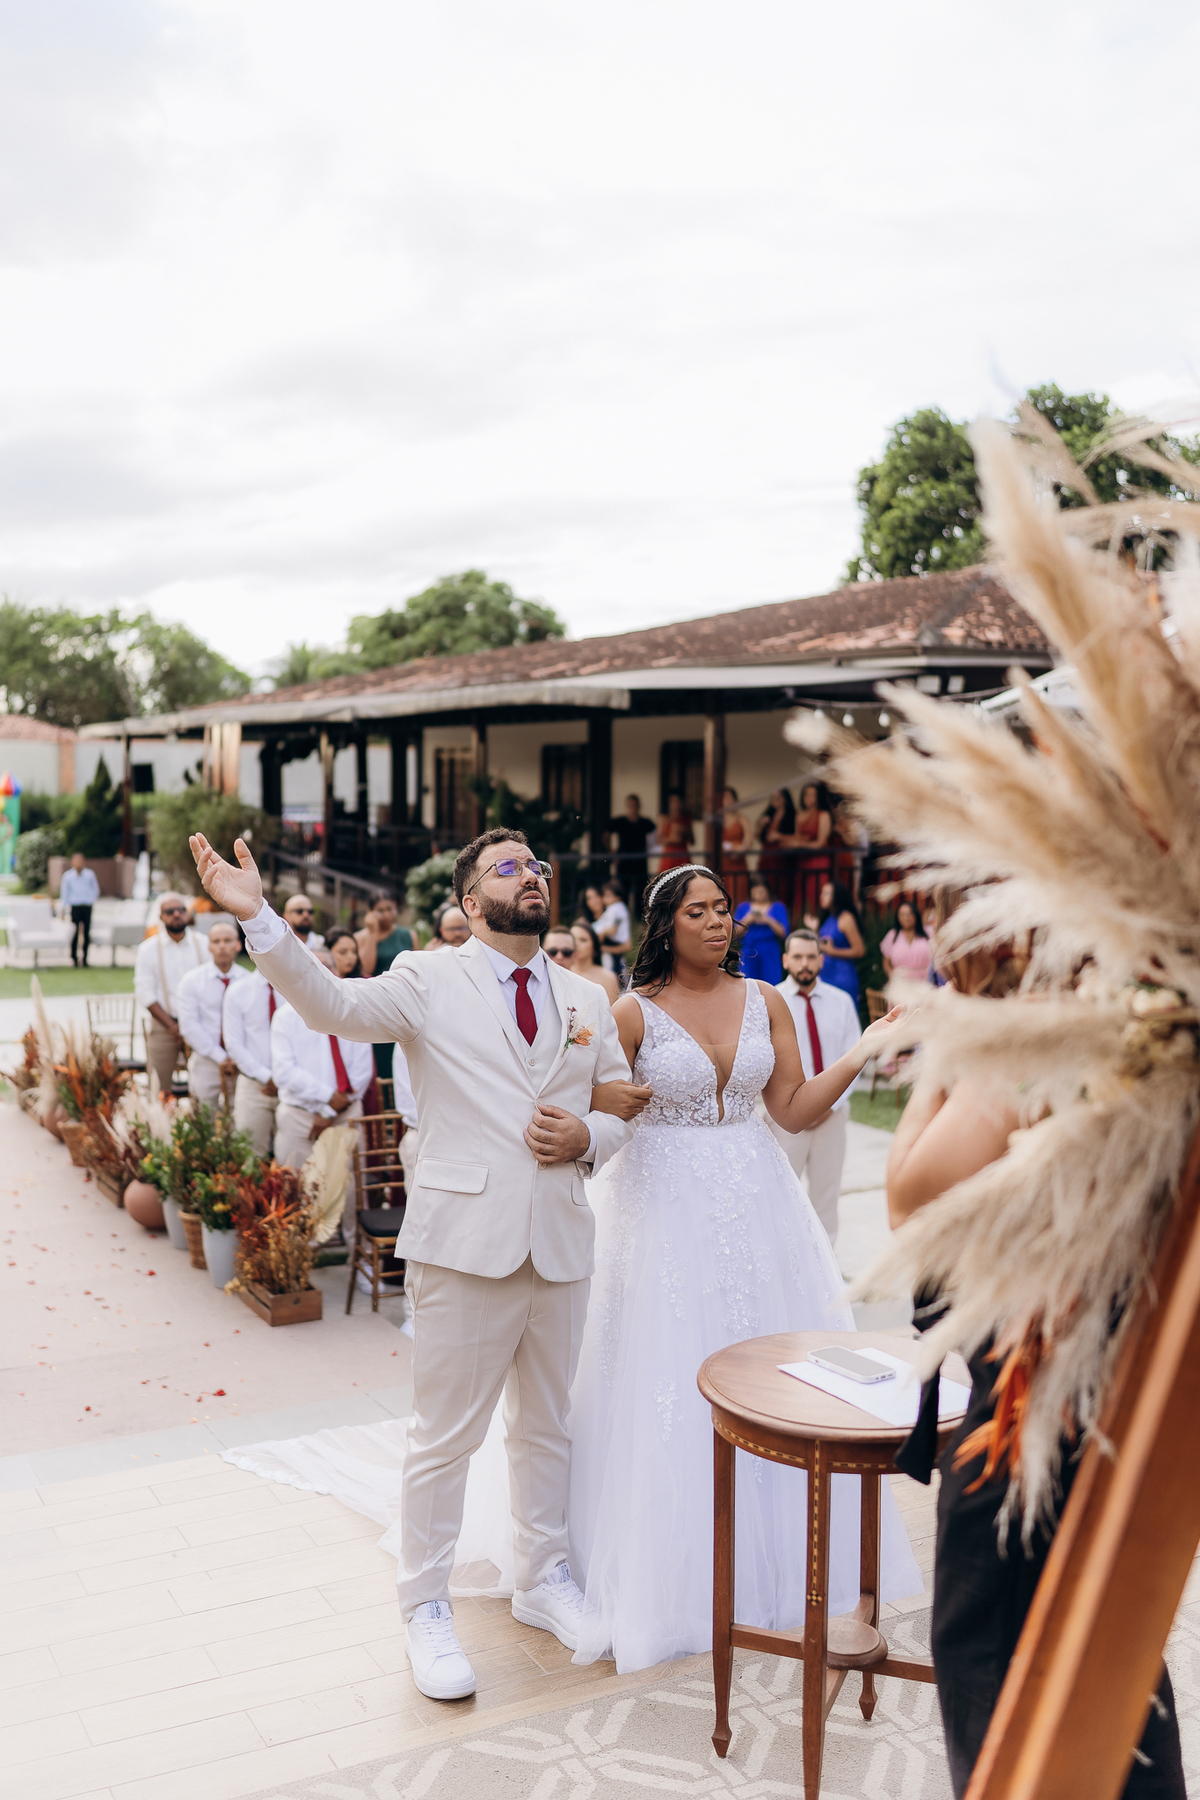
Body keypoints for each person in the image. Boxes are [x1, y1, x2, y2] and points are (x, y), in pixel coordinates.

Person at [189, 822, 649, 1704]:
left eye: (537, 865)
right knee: (443, 1439)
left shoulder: (589, 997)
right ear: (472, 902)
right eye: (508, 867)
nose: (532, 876)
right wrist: (262, 925)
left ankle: (542, 1575)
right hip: (463, 1245)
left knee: (548, 1425)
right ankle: (425, 1605)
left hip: (559, 1241)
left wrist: (590, 1133)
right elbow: (330, 1006)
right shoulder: (426, 979)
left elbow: (619, 1106)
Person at [567, 864, 919, 1671]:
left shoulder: (768, 999)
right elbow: (599, 1105)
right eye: (700, 912)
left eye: (724, 909)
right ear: (667, 926)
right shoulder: (630, 1012)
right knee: (669, 1375)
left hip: (760, 1206)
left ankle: (794, 1562)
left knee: (779, 1371)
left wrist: (865, 1046)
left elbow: (792, 1109)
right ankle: (669, 1575)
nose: (719, 922)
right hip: (659, 1211)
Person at [886, 931, 1185, 1799]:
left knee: (1003, 1696)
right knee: (1118, 1676)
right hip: (1117, 1417)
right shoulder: (1150, 1028)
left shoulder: (1048, 1035)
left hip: (1027, 1425)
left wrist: (943, 1062)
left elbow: (913, 1199)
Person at [766, 928, 863, 1244]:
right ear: (785, 960)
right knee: (781, 1197)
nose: (804, 964)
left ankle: (829, 1281)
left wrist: (828, 1105)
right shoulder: (770, 1002)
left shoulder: (842, 1002)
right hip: (784, 1120)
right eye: (797, 957)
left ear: (821, 960)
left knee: (826, 1199)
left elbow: (856, 1056)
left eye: (810, 957)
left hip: (831, 1118)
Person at [134, 894, 210, 1097]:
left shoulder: (203, 943)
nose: (176, 914)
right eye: (170, 911)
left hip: (202, 1023)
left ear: (187, 914)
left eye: (181, 910)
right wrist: (173, 1027)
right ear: (161, 916)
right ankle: (159, 1126)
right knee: (158, 1085)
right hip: (164, 1026)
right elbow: (145, 993)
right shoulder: (148, 949)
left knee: (204, 1085)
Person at [175, 920, 248, 1107]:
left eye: (227, 940)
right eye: (216, 941)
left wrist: (239, 1057)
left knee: (239, 1119)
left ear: (238, 945)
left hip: (243, 1062)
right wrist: (220, 1057)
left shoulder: (248, 981)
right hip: (206, 1059)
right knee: (203, 1117)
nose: (222, 946)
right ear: (209, 946)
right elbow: (189, 1025)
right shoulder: (192, 981)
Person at [223, 968, 279, 1157]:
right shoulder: (238, 991)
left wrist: (284, 1079)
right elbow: (234, 1044)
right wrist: (267, 1077)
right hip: (254, 1085)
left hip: (294, 1086)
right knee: (251, 1154)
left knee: (293, 1157)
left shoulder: (297, 988)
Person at [817, 878, 865, 1003]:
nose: (822, 896)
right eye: (822, 893)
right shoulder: (829, 916)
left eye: (826, 893)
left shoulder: (846, 918)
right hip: (825, 974)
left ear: (836, 896)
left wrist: (833, 952)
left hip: (841, 976)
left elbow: (860, 950)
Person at [734, 877, 789, 984]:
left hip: (769, 949)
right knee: (748, 983)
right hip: (749, 949)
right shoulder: (743, 907)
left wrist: (767, 920)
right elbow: (734, 933)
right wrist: (748, 920)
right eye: (755, 892)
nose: (758, 895)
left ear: (768, 891)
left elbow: (784, 932)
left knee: (771, 982)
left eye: (761, 892)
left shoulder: (778, 907)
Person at [605, 795, 654, 913]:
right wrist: (612, 853)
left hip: (640, 862)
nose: (633, 808)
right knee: (623, 891)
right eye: (631, 805)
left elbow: (655, 836)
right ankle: (624, 916)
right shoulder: (620, 822)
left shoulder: (645, 823)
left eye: (635, 806)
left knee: (641, 893)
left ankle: (640, 920)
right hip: (624, 861)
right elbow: (606, 836)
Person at [356, 893, 413, 978]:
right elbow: (366, 970)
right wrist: (372, 932)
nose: (386, 915)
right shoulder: (359, 938)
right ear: (370, 911)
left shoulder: (409, 935)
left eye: (389, 909)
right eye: (380, 911)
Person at [59, 851, 100, 968]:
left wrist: (90, 900)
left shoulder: (89, 875)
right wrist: (63, 908)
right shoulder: (68, 876)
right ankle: (74, 958)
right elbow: (65, 893)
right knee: (74, 933)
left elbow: (95, 889)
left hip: (86, 906)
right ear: (72, 862)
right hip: (75, 906)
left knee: (86, 933)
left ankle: (85, 958)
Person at [566, 919, 620, 1004]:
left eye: (583, 940)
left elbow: (612, 1014)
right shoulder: (562, 972)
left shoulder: (608, 977)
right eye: (572, 939)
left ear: (594, 946)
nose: (576, 944)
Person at [881, 900, 932, 981]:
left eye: (910, 914)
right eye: (902, 914)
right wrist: (892, 977)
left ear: (916, 915)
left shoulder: (929, 932)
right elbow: (886, 962)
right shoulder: (892, 935)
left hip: (927, 981)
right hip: (901, 983)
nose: (906, 918)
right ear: (898, 917)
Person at [754, 787, 795, 877]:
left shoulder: (792, 815)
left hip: (782, 855)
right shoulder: (768, 815)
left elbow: (797, 835)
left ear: (785, 798)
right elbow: (758, 837)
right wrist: (761, 826)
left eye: (778, 797)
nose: (775, 800)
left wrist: (779, 836)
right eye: (772, 797)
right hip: (767, 854)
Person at [595, 880, 631, 974]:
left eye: (608, 896)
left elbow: (612, 929)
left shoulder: (617, 908)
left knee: (614, 970)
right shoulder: (613, 909)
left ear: (618, 897)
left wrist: (600, 933)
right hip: (613, 943)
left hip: (615, 943)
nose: (604, 899)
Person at [655, 791, 694, 871]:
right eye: (673, 802)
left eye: (678, 801)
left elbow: (692, 840)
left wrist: (684, 831)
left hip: (682, 855)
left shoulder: (686, 819)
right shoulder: (664, 819)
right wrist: (671, 838)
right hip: (669, 856)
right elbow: (658, 839)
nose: (676, 805)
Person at [788, 780, 832, 849]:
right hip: (803, 855)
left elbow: (821, 843)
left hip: (818, 856)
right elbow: (797, 837)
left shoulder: (823, 815)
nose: (808, 798)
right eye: (806, 794)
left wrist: (800, 844)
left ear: (817, 797)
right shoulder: (799, 815)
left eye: (812, 795)